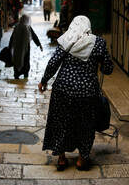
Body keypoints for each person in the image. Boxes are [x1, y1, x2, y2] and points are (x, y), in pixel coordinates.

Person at [38, 15, 114, 171]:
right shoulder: (98, 43)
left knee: (61, 122)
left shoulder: (66, 39)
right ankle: (81, 159)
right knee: (85, 125)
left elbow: (54, 62)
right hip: (87, 92)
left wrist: (44, 81)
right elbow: (108, 68)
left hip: (63, 89)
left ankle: (61, 158)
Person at [9, 14, 43, 79]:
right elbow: (34, 36)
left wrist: (10, 46)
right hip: (26, 48)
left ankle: (17, 74)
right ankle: (25, 73)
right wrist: (39, 44)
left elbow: (12, 37)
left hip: (17, 47)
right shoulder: (28, 27)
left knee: (17, 59)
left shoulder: (16, 27)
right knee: (25, 60)